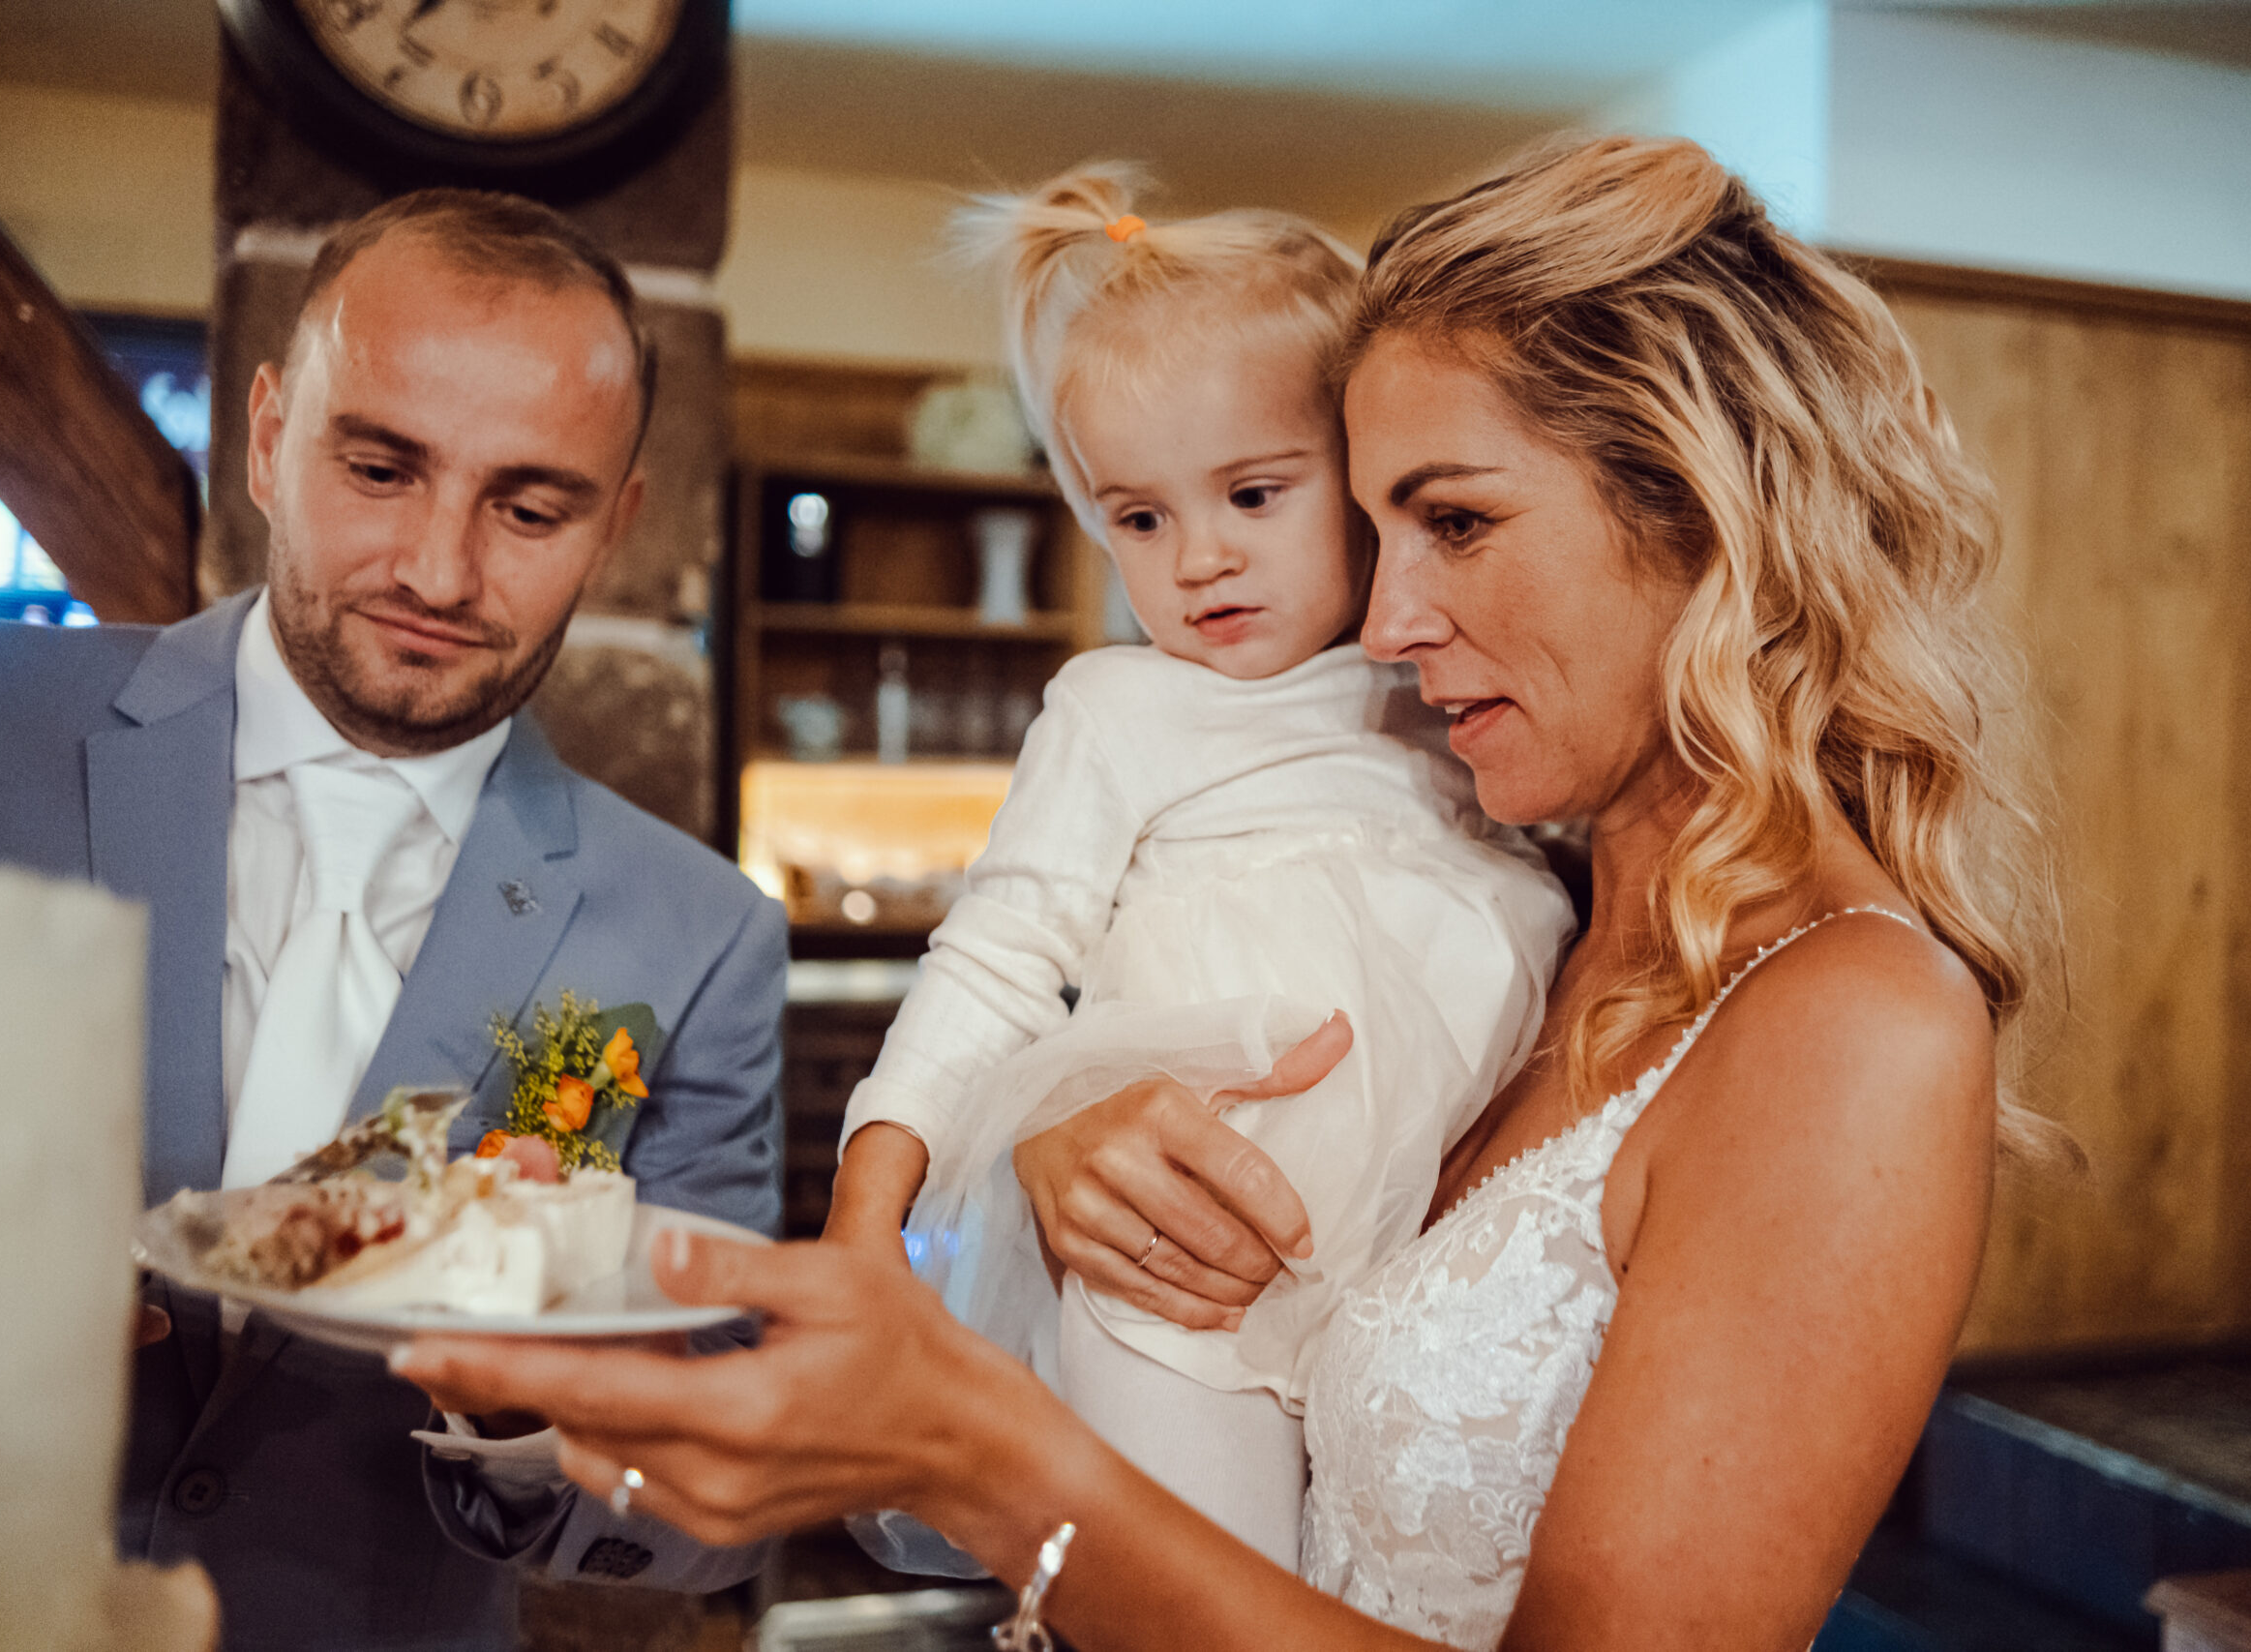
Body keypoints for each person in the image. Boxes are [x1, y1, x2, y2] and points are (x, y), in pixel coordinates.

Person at [398, 133, 2060, 1651]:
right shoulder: (1527, 911)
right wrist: (1060, 1138)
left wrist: (986, 1458)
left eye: (1455, 521)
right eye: (1376, 527)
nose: (1386, 621)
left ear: (1700, 511)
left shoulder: (1852, 1022)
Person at [0, 190, 786, 1651]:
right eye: (381, 469)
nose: (439, 574)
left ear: (618, 524)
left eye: (531, 508)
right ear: (268, 439)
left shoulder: (700, 938)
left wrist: (522, 1408)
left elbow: (720, 1513)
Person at [822, 165, 1570, 1568]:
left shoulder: (1442, 695)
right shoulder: (1120, 709)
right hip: (1174, 1276)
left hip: (1404, 1273)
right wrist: (870, 1207)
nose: (1200, 560)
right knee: (1193, 1591)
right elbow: (996, 957)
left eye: (1253, 493)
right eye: (1141, 518)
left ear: (1360, 480)